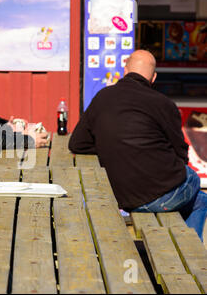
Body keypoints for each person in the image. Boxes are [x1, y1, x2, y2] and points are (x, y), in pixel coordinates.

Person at [68, 49, 207, 241]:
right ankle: (191, 254)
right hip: (158, 193)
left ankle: (179, 248)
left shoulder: (102, 97)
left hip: (122, 196)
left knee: (191, 195)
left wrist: (110, 146)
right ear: (154, 78)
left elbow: (76, 143)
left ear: (125, 70)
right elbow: (181, 153)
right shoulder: (164, 104)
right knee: (198, 192)